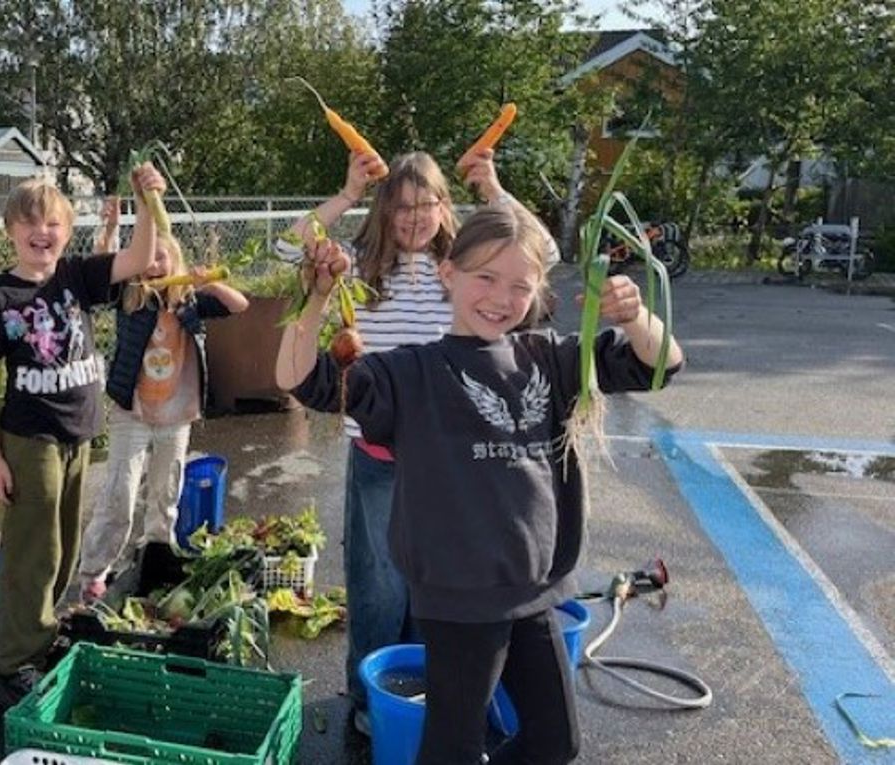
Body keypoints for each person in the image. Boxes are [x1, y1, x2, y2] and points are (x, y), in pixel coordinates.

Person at [275, 202, 684, 764]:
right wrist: (316, 296)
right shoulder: (411, 374)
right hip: (460, 595)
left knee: (555, 741)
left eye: (520, 285)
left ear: (538, 291)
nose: (501, 297)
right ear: (449, 274)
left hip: (534, 588)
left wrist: (636, 317)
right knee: (454, 746)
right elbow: (300, 379)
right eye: (485, 277)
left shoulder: (551, 359)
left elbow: (660, 364)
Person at [278, 147, 533, 735]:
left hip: (449, 460)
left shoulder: (466, 269)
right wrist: (345, 194)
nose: (415, 218)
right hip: (379, 456)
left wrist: (493, 191)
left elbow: (537, 253)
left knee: (437, 584)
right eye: (402, 207)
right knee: (379, 589)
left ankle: (424, 695)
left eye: (428, 204)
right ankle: (370, 699)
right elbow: (284, 248)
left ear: (446, 208)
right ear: (385, 212)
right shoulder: (361, 265)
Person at [0, 166, 165, 706]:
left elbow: (140, 259)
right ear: (9, 230)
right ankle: (14, 662)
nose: (41, 231)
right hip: (29, 436)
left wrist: (147, 201)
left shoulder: (75, 276)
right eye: (29, 221)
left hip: (78, 433)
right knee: (35, 546)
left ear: (67, 232)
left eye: (52, 222)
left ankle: (41, 635)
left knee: (66, 542)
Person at [77, 218, 249, 602]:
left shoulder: (189, 302)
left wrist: (210, 283)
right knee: (119, 493)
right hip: (133, 413)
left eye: (162, 259)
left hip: (176, 416)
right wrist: (108, 235)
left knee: (165, 494)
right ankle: (93, 572)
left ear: (176, 262)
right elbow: (100, 276)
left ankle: (154, 555)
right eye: (147, 259)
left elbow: (240, 305)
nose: (154, 267)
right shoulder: (129, 296)